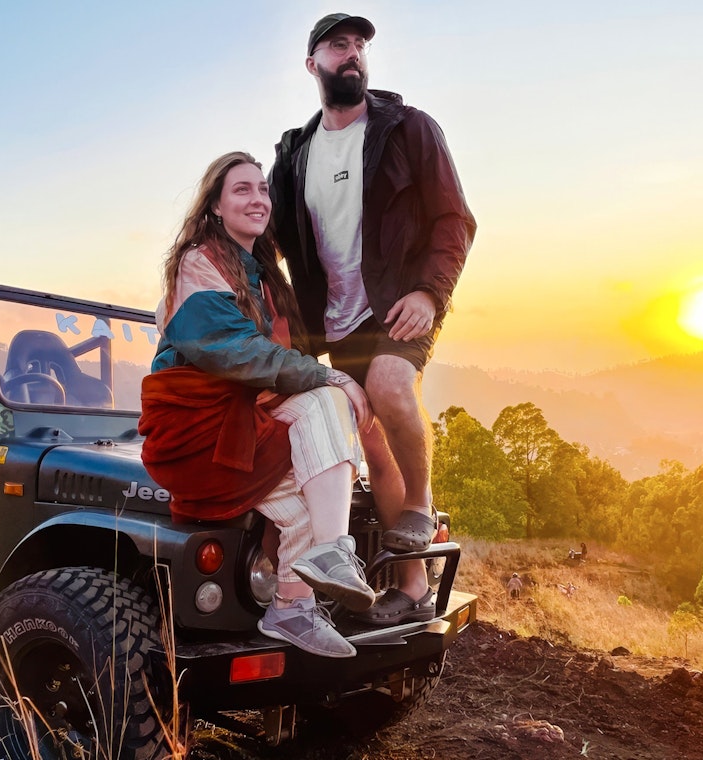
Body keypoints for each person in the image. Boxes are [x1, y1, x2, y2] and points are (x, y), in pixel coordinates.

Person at [270, 13, 476, 625]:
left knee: (389, 385)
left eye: (360, 45)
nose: (353, 53)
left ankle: (421, 503)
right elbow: (278, 240)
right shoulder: (294, 156)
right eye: (339, 45)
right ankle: (410, 587)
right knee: (370, 442)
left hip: (402, 304)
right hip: (332, 322)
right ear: (314, 64)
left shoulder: (409, 130)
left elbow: (454, 221)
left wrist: (430, 295)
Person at [140, 151, 377, 659]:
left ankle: (292, 606)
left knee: (314, 496)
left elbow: (286, 353)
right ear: (216, 208)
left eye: (262, 189)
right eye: (241, 189)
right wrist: (329, 375)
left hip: (244, 420)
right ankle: (334, 555)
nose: (257, 198)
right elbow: (232, 349)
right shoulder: (198, 263)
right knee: (321, 398)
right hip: (196, 429)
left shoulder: (265, 277)